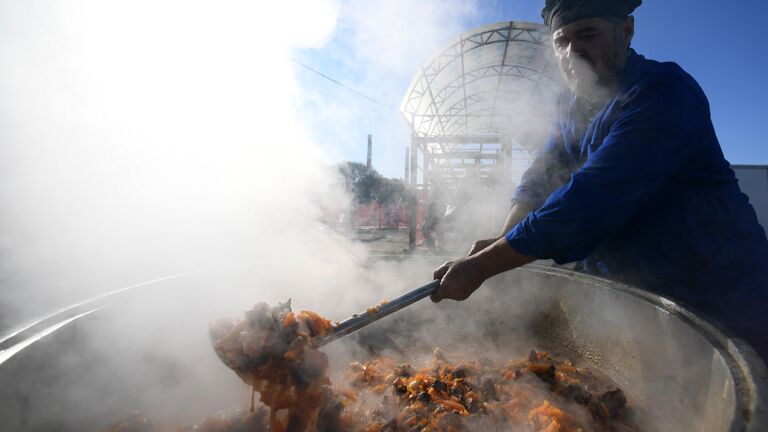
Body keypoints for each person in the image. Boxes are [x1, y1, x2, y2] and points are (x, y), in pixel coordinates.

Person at [430, 0, 768, 359]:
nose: (573, 51)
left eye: (587, 34)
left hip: (721, 298)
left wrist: (484, 265)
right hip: (641, 299)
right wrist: (504, 237)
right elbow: (541, 176)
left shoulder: (664, 91)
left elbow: (589, 201)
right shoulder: (570, 106)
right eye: (561, 42)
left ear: (626, 31)